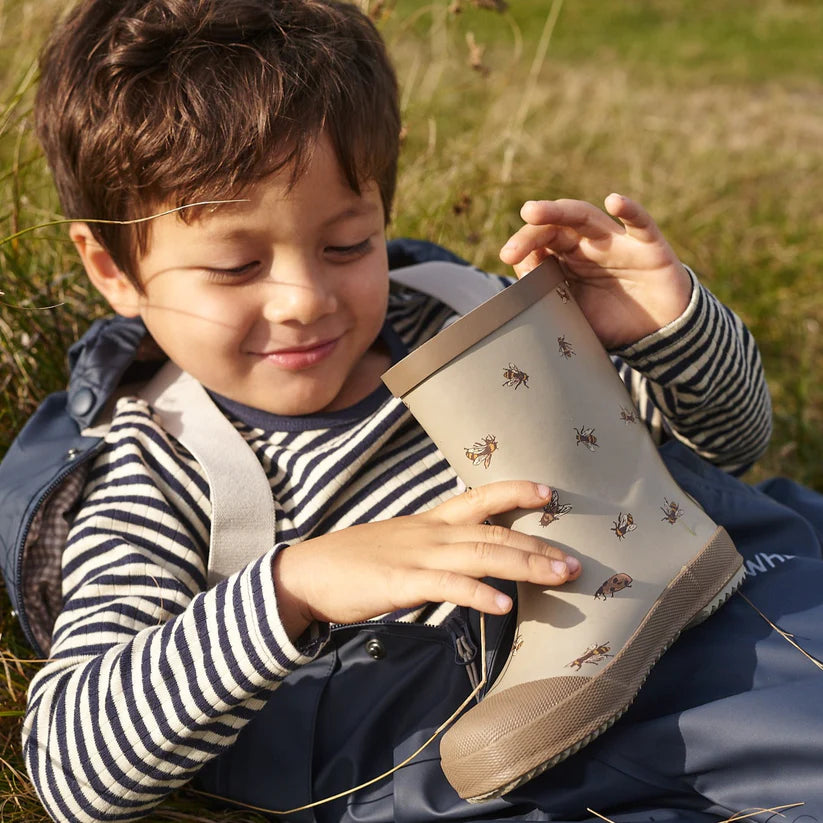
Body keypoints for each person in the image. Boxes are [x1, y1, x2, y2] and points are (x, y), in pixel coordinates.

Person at [13, 1, 822, 821]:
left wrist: (669, 330)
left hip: (715, 615)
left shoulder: (458, 317)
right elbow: (72, 767)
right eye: (234, 264)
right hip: (505, 753)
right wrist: (294, 586)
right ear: (111, 268)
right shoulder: (166, 466)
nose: (303, 299)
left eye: (345, 245)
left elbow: (720, 448)